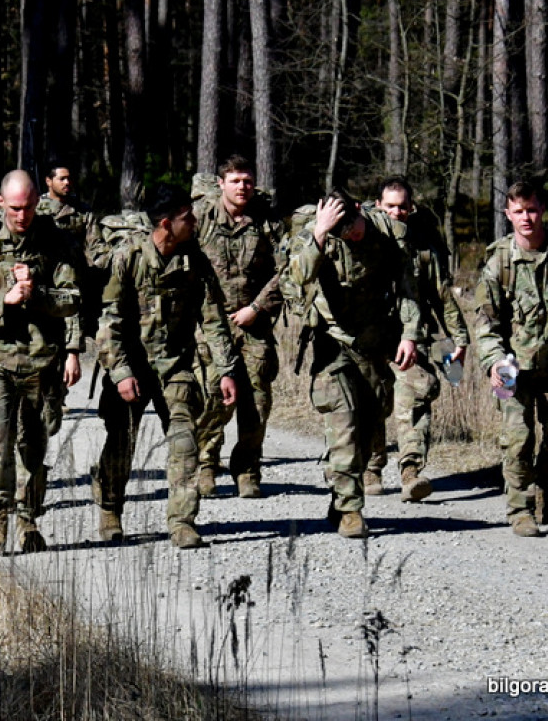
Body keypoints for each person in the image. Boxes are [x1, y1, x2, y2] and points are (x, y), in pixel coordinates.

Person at [95, 184, 238, 548]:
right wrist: (122, 373)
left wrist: (225, 369)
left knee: (184, 441)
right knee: (121, 443)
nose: (193, 222)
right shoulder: (128, 257)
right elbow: (108, 322)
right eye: (186, 218)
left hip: (175, 365)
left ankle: (182, 521)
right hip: (130, 366)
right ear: (165, 223)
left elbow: (214, 318)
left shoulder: (194, 259)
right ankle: (110, 507)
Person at [0, 170, 82, 553]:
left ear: (38, 202)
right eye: (14, 208)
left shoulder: (55, 242)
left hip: (41, 361)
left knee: (35, 443)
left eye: (28, 207)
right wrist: (2, 301)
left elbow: (72, 298)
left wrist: (36, 293)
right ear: (1, 202)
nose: (21, 216)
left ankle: (28, 518)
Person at [284, 189, 421, 538]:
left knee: (368, 429)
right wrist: (319, 231)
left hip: (375, 344)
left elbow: (406, 287)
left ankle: (341, 494)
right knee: (343, 422)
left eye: (352, 226)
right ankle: (350, 511)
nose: (350, 235)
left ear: (360, 209)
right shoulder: (316, 234)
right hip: (333, 344)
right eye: (341, 230)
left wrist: (410, 335)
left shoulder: (390, 232)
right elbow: (296, 279)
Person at [474, 181, 548, 537]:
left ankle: (542, 483)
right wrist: (494, 363)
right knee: (516, 437)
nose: (527, 217)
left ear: (543, 210)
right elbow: (486, 323)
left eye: (533, 209)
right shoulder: (498, 262)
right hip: (512, 367)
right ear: (508, 214)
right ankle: (520, 508)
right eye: (519, 211)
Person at [364, 177, 470, 501]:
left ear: (411, 208)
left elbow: (441, 296)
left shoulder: (423, 249)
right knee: (372, 399)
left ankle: (411, 471)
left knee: (416, 395)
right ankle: (370, 466)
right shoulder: (362, 241)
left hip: (414, 338)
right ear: (378, 206)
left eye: (402, 206)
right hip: (370, 338)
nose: (396, 212)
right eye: (390, 206)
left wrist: (458, 338)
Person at [193, 156, 285, 499]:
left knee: (257, 400)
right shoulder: (200, 217)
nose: (242, 187)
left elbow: (286, 270)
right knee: (214, 396)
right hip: (209, 323)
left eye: (247, 181)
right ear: (221, 184)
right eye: (235, 181)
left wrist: (257, 307)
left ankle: (247, 470)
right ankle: (206, 463)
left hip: (253, 322)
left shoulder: (266, 221)